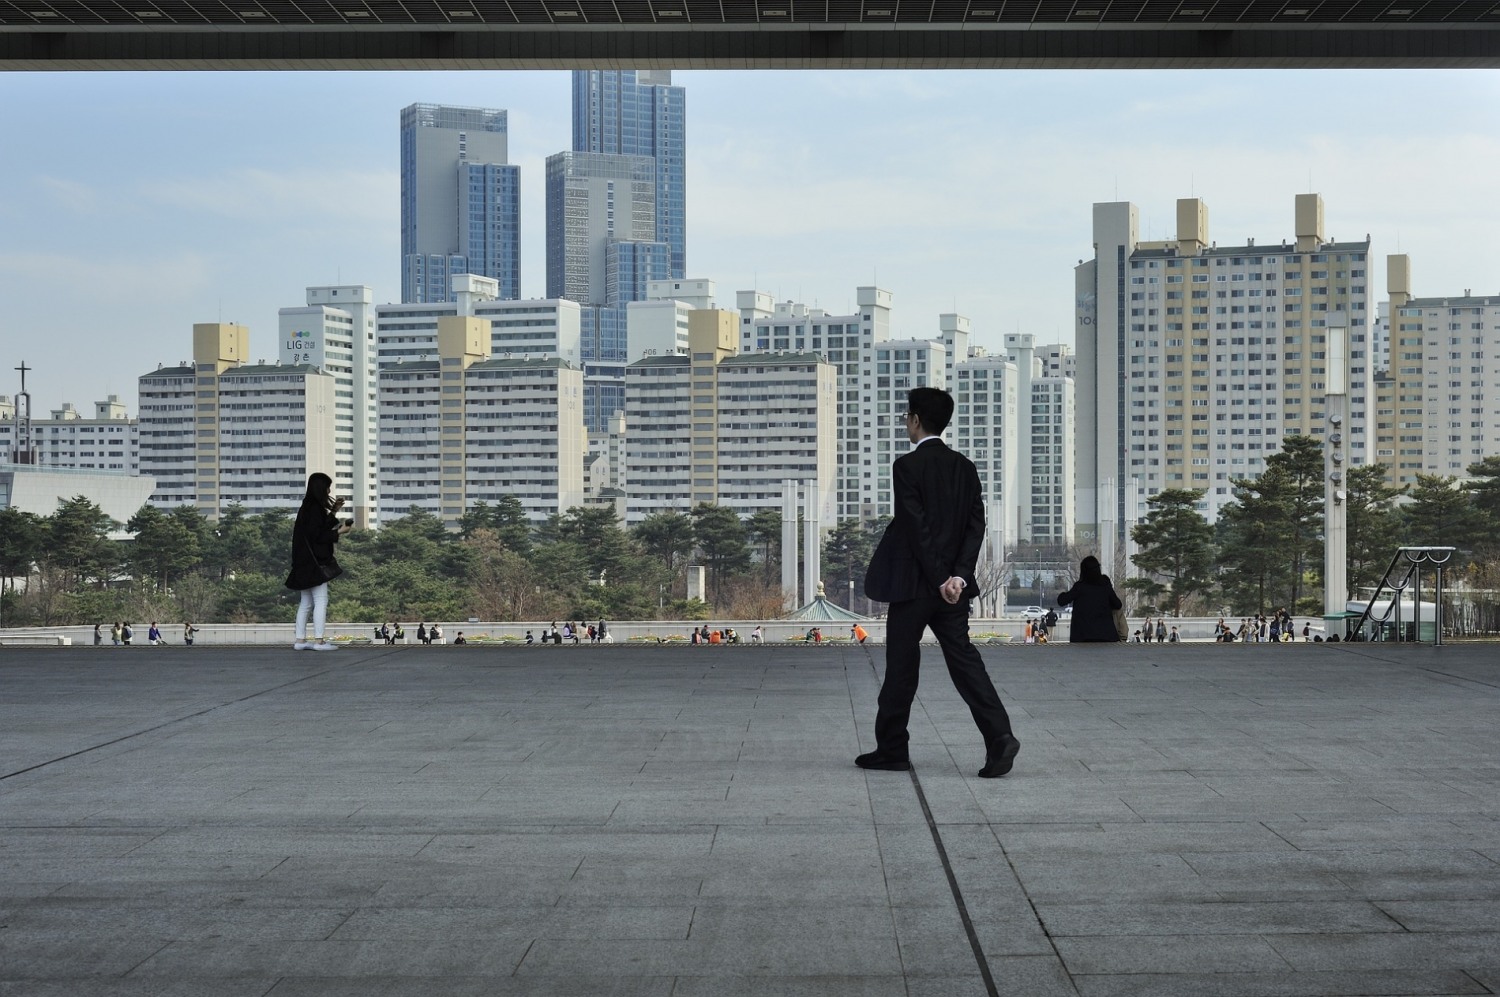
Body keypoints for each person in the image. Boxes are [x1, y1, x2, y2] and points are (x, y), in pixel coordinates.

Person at [858, 387, 1019, 780]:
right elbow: (974, 526)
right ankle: (999, 737)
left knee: (901, 665)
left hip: (913, 586)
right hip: (953, 592)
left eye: (906, 415)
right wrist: (959, 577)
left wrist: (938, 578)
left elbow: (916, 528)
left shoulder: (906, 467)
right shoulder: (965, 468)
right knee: (965, 662)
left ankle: (893, 748)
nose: (905, 422)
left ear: (915, 420)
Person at [284, 471, 349, 651]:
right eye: (328, 486)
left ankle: (300, 640)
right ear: (321, 488)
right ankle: (319, 641)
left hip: (302, 562)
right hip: (314, 563)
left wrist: (334, 510)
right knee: (321, 600)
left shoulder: (307, 506)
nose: (329, 490)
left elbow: (316, 529)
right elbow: (318, 535)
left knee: (306, 602)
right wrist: (339, 532)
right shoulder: (314, 508)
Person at [1057, 555, 1125, 643]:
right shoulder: (1105, 585)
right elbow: (1117, 604)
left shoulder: (1080, 587)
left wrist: (1063, 593)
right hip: (1106, 636)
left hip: (1082, 636)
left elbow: (1061, 601)